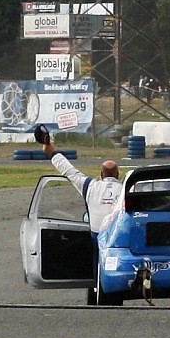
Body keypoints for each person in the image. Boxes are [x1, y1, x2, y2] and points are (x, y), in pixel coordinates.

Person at [34, 126, 123, 300]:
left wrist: (50, 150)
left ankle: (100, 290)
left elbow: (68, 170)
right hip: (119, 235)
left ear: (101, 175)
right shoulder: (126, 187)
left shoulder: (90, 186)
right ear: (118, 174)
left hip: (97, 234)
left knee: (96, 262)